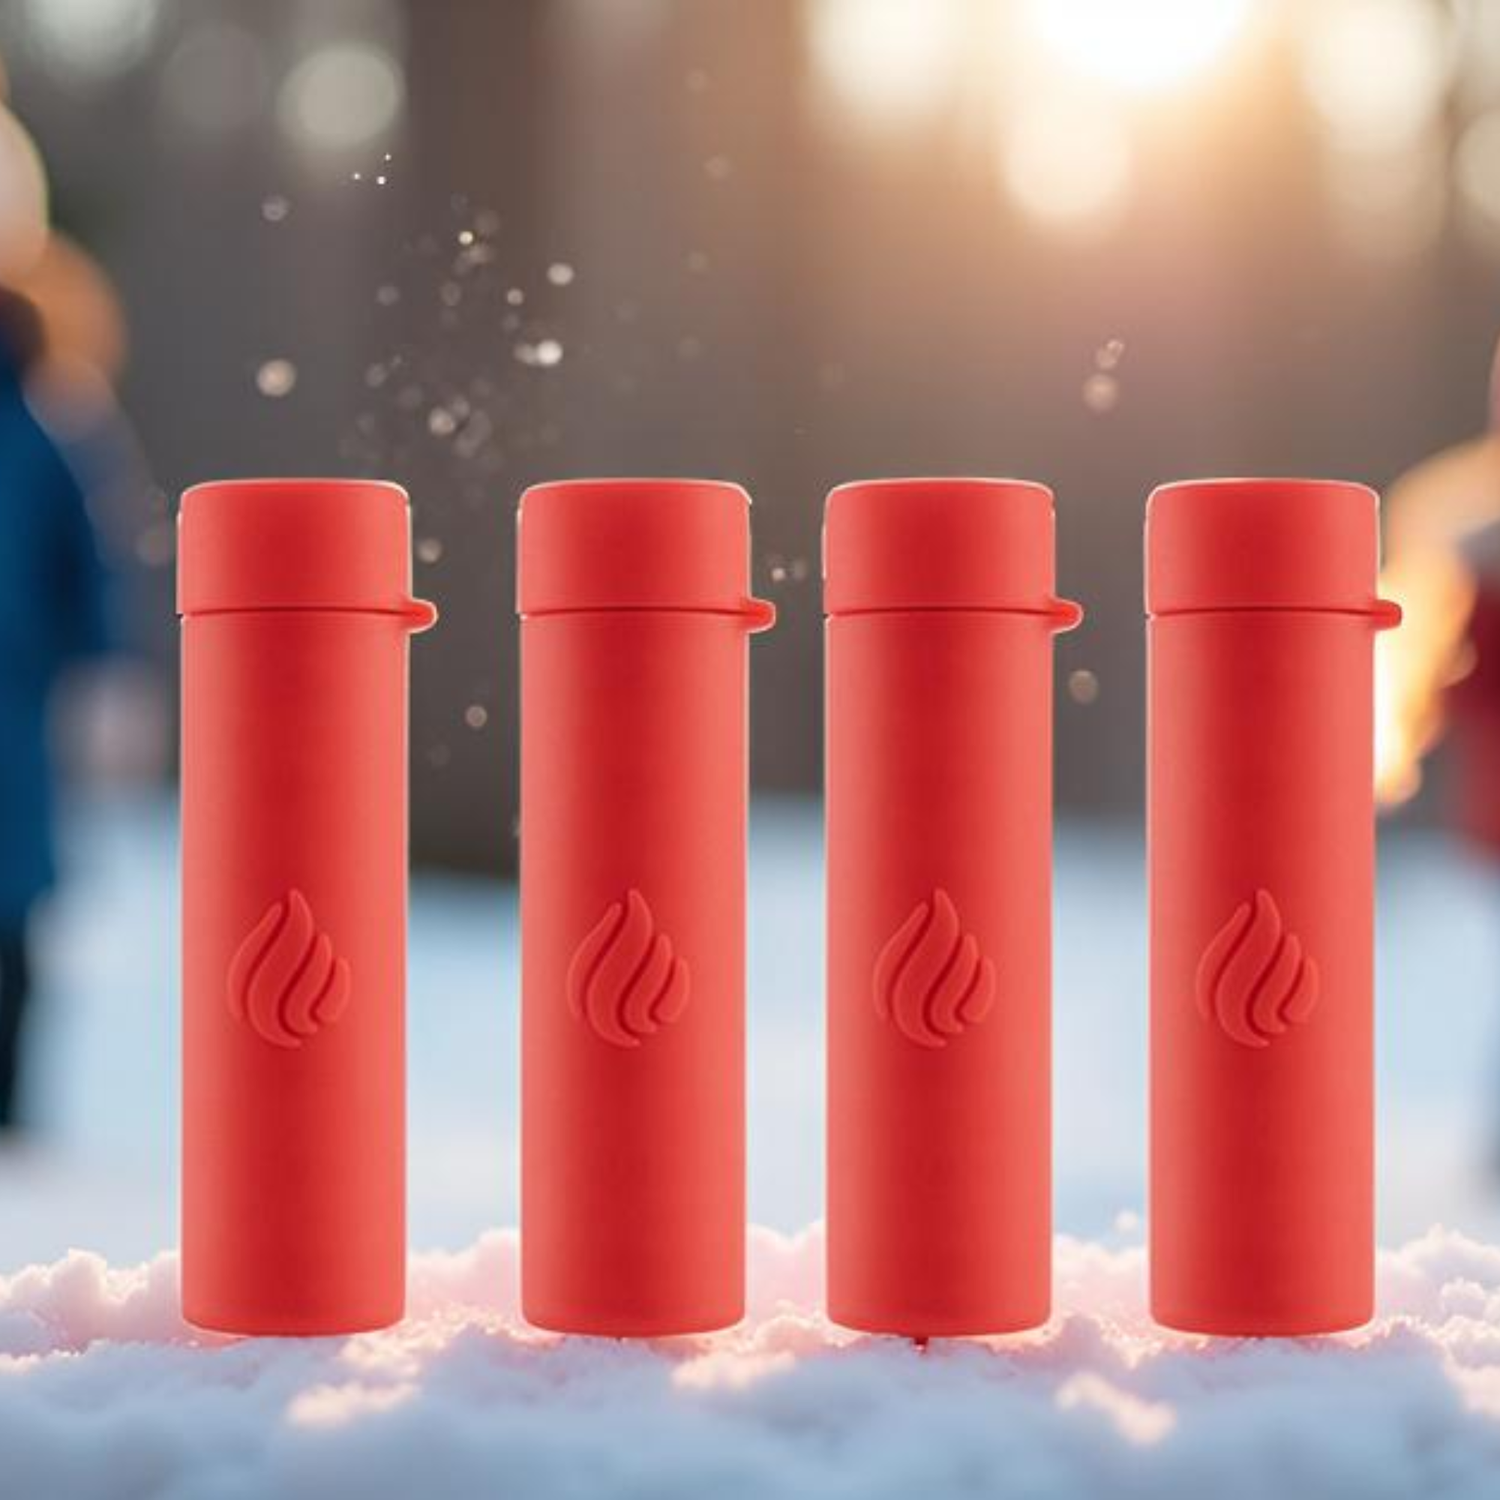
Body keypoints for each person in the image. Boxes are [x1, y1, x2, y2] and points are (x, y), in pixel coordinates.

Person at [0, 284, 111, 1132]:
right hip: (22, 705)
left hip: (15, 707)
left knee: (9, 915)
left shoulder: (46, 434)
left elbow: (87, 570)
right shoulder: (49, 434)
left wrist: (106, 670)